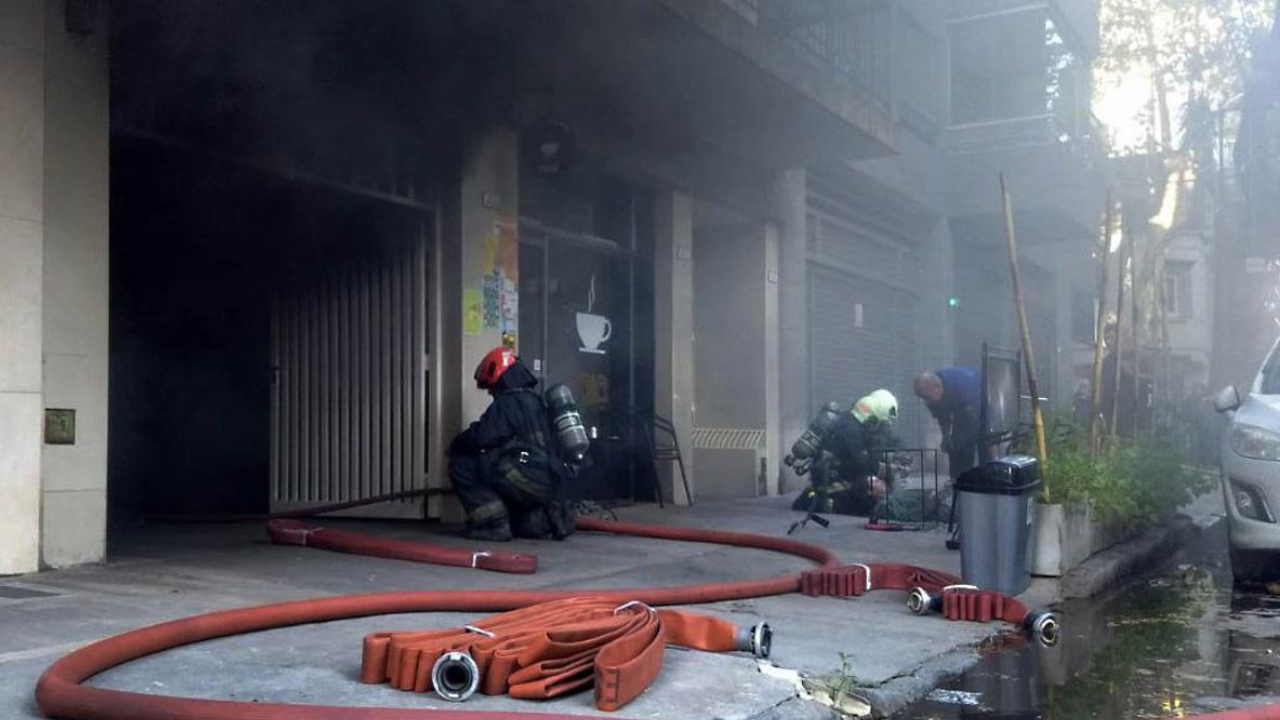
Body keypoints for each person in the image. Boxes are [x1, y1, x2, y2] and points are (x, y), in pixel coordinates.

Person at [447, 346, 574, 542]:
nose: (491, 392)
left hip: (528, 476)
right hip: (548, 483)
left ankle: (493, 525)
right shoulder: (536, 401)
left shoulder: (508, 403)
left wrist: (456, 445)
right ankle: (544, 519)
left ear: (498, 377)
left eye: (491, 387)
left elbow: (481, 437)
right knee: (502, 465)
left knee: (462, 465)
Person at [792, 389, 900, 517]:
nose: (881, 427)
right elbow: (861, 463)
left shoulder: (851, 421)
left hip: (840, 477)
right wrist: (886, 470)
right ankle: (821, 503)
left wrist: (895, 457)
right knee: (870, 498)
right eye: (880, 423)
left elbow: (878, 446)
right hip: (835, 484)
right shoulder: (849, 430)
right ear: (873, 416)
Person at [913, 366, 981, 479]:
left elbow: (975, 418)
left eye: (927, 397)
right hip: (960, 407)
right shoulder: (933, 396)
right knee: (954, 445)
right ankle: (956, 480)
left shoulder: (962, 386)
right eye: (923, 398)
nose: (926, 401)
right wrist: (945, 439)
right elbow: (943, 419)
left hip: (978, 402)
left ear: (937, 388)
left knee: (975, 443)